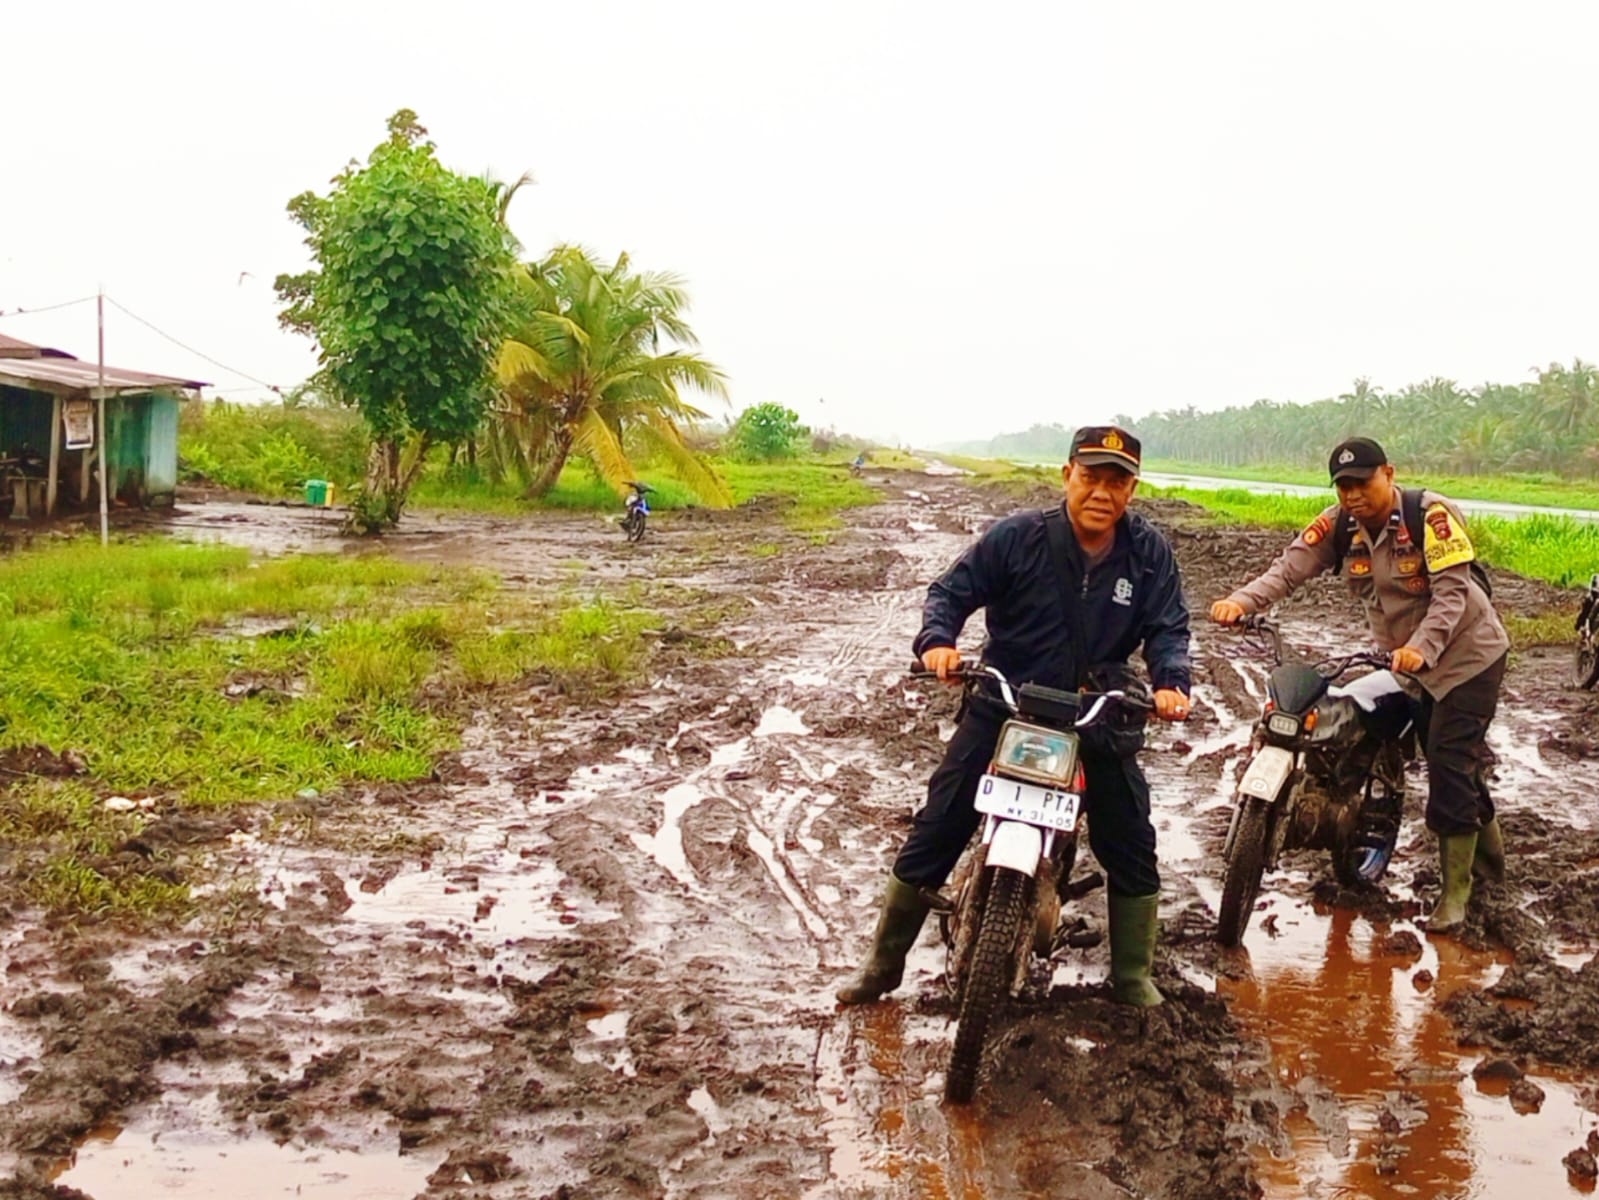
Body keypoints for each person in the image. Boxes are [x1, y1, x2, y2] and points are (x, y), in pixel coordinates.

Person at [836, 425, 1193, 1008]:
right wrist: (938, 642)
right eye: (1091, 477)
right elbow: (950, 592)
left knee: (1129, 835)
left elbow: (1168, 628)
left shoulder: (1148, 553)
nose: (1102, 492)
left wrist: (1171, 682)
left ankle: (1132, 974)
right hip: (1005, 702)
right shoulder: (1016, 538)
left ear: (1132, 489)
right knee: (942, 821)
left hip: (1093, 711)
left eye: (1117, 481)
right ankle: (882, 965)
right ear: (1066, 476)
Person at [1209, 437, 1509, 933]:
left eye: (1362, 482)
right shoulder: (1339, 525)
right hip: (1406, 663)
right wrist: (1242, 602)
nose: (1353, 494)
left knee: (1451, 767)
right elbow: (1289, 570)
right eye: (1343, 485)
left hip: (1465, 659)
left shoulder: (1432, 516)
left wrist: (1422, 648)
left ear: (1388, 474)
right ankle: (1492, 865)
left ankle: (1456, 895)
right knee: (1448, 759)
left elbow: (1454, 593)